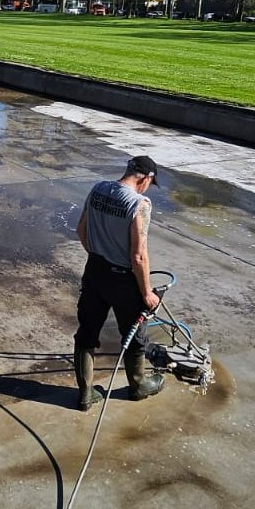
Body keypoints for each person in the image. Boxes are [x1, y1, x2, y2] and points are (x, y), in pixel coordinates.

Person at [72, 155, 167, 411]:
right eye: (150, 182)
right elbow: (138, 256)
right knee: (134, 336)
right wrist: (147, 293)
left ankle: (85, 394)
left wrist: (98, 257)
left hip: (95, 270)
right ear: (146, 179)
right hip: (123, 280)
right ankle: (138, 386)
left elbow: (81, 231)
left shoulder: (98, 189)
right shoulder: (140, 204)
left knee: (86, 334)